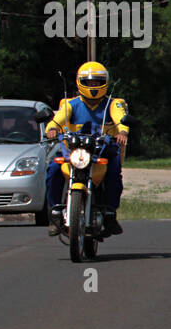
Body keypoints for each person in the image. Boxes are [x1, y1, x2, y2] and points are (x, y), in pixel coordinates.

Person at [44, 61, 129, 238]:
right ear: (80, 82)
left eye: (97, 82)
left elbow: (121, 119)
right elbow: (58, 119)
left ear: (104, 82)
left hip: (103, 149)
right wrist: (52, 129)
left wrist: (122, 131)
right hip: (74, 151)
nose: (93, 86)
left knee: (113, 171)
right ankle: (55, 213)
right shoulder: (71, 104)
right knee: (53, 169)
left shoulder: (112, 104)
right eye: (89, 82)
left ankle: (111, 214)